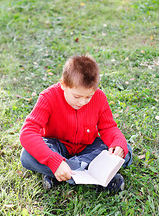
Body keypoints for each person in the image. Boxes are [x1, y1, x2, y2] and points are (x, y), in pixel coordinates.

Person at [20, 55, 132, 193]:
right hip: (57, 146)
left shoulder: (99, 97)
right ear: (63, 84)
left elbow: (108, 127)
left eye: (88, 97)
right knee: (27, 156)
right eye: (77, 96)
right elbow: (28, 132)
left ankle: (61, 174)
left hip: (87, 147)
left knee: (125, 149)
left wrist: (118, 143)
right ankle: (99, 176)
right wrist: (54, 161)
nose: (82, 102)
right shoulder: (48, 97)